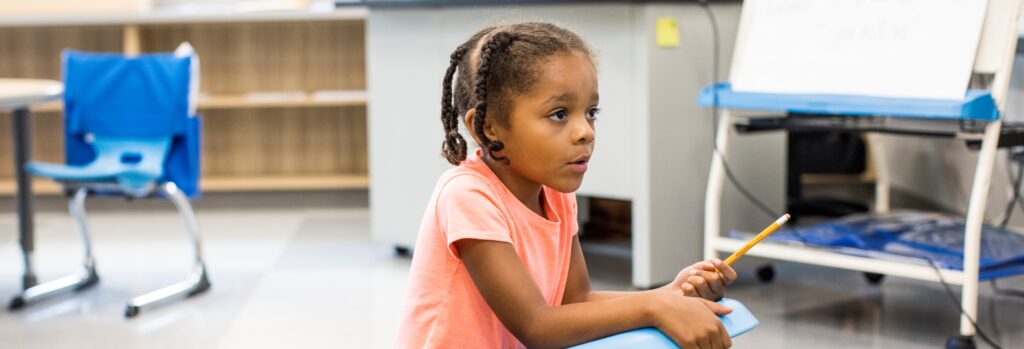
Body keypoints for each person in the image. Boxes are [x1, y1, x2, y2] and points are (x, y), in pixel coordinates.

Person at [398, 22, 737, 349]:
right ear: (488, 128)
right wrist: (654, 307)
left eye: (591, 112)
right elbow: (538, 326)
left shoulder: (558, 195)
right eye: (560, 114)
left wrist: (669, 294)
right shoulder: (467, 196)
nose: (586, 131)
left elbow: (575, 301)